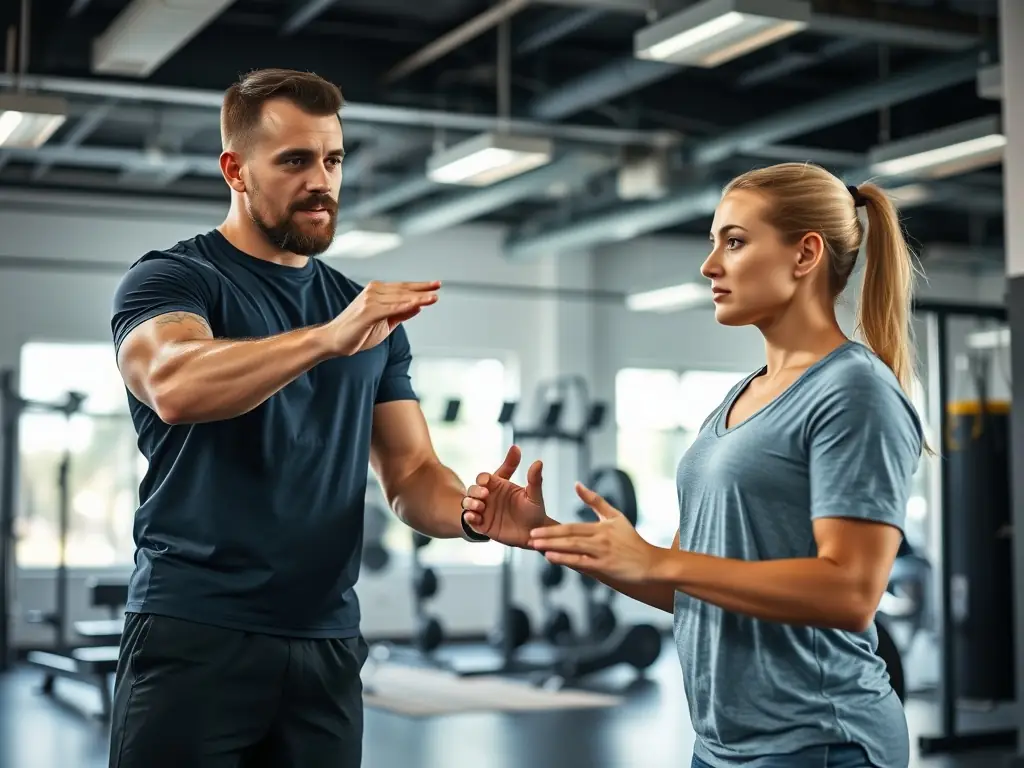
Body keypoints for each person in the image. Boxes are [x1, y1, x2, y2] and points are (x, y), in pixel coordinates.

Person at [107, 67, 546, 768]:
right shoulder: (175, 279)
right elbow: (173, 383)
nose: (323, 180)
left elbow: (410, 472)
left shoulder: (367, 316)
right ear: (236, 170)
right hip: (195, 632)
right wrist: (327, 337)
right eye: (294, 161)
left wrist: (471, 511)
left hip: (327, 643)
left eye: (332, 159)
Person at [463, 162, 925, 768]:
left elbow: (851, 591)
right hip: (721, 743)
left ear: (805, 254)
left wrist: (659, 557)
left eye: (733, 242)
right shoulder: (737, 400)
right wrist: (545, 536)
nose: (710, 265)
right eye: (714, 243)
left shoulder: (853, 389)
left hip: (820, 739)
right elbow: (688, 588)